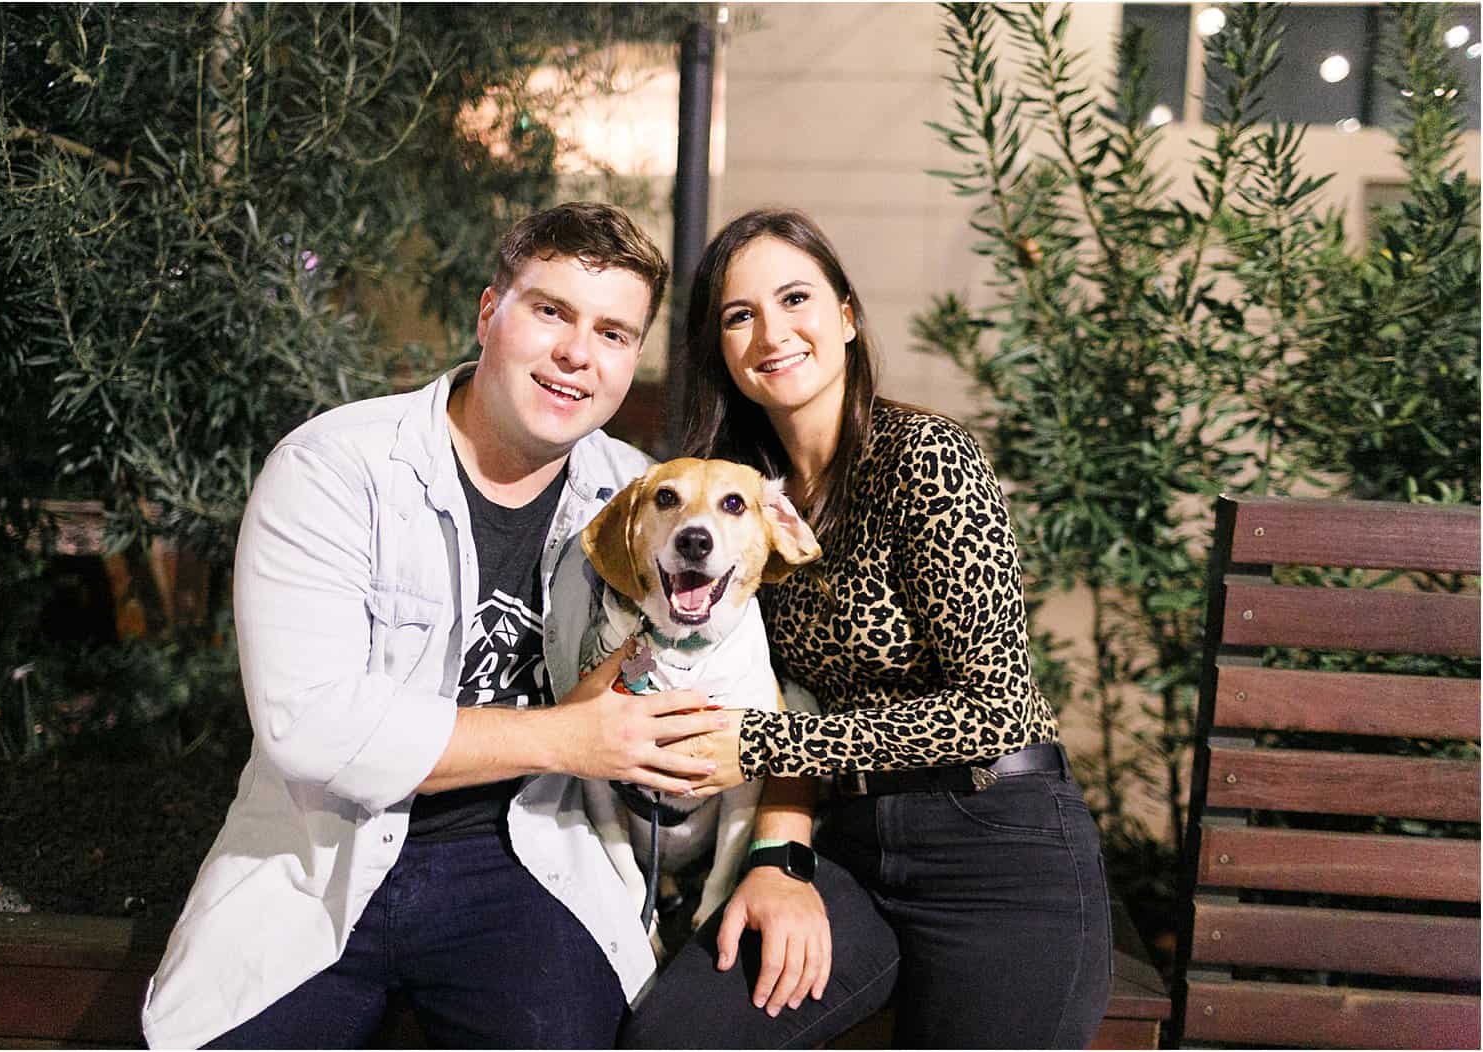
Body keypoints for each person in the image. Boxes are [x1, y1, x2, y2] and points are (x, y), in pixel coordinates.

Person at [140, 202, 731, 1049]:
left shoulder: (643, 502)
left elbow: (676, 731)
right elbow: (310, 730)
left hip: (531, 860)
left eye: (612, 332)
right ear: (490, 313)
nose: (576, 353)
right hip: (323, 856)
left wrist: (694, 798)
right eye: (550, 311)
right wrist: (569, 737)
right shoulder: (334, 468)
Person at [622, 209, 1111, 1049]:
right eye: (740, 316)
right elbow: (773, 691)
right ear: (722, 352)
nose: (773, 332)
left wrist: (768, 750)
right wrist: (780, 854)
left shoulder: (927, 459)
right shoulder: (740, 505)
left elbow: (994, 707)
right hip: (842, 846)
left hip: (993, 841)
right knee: (674, 1038)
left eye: (795, 299)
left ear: (846, 317)